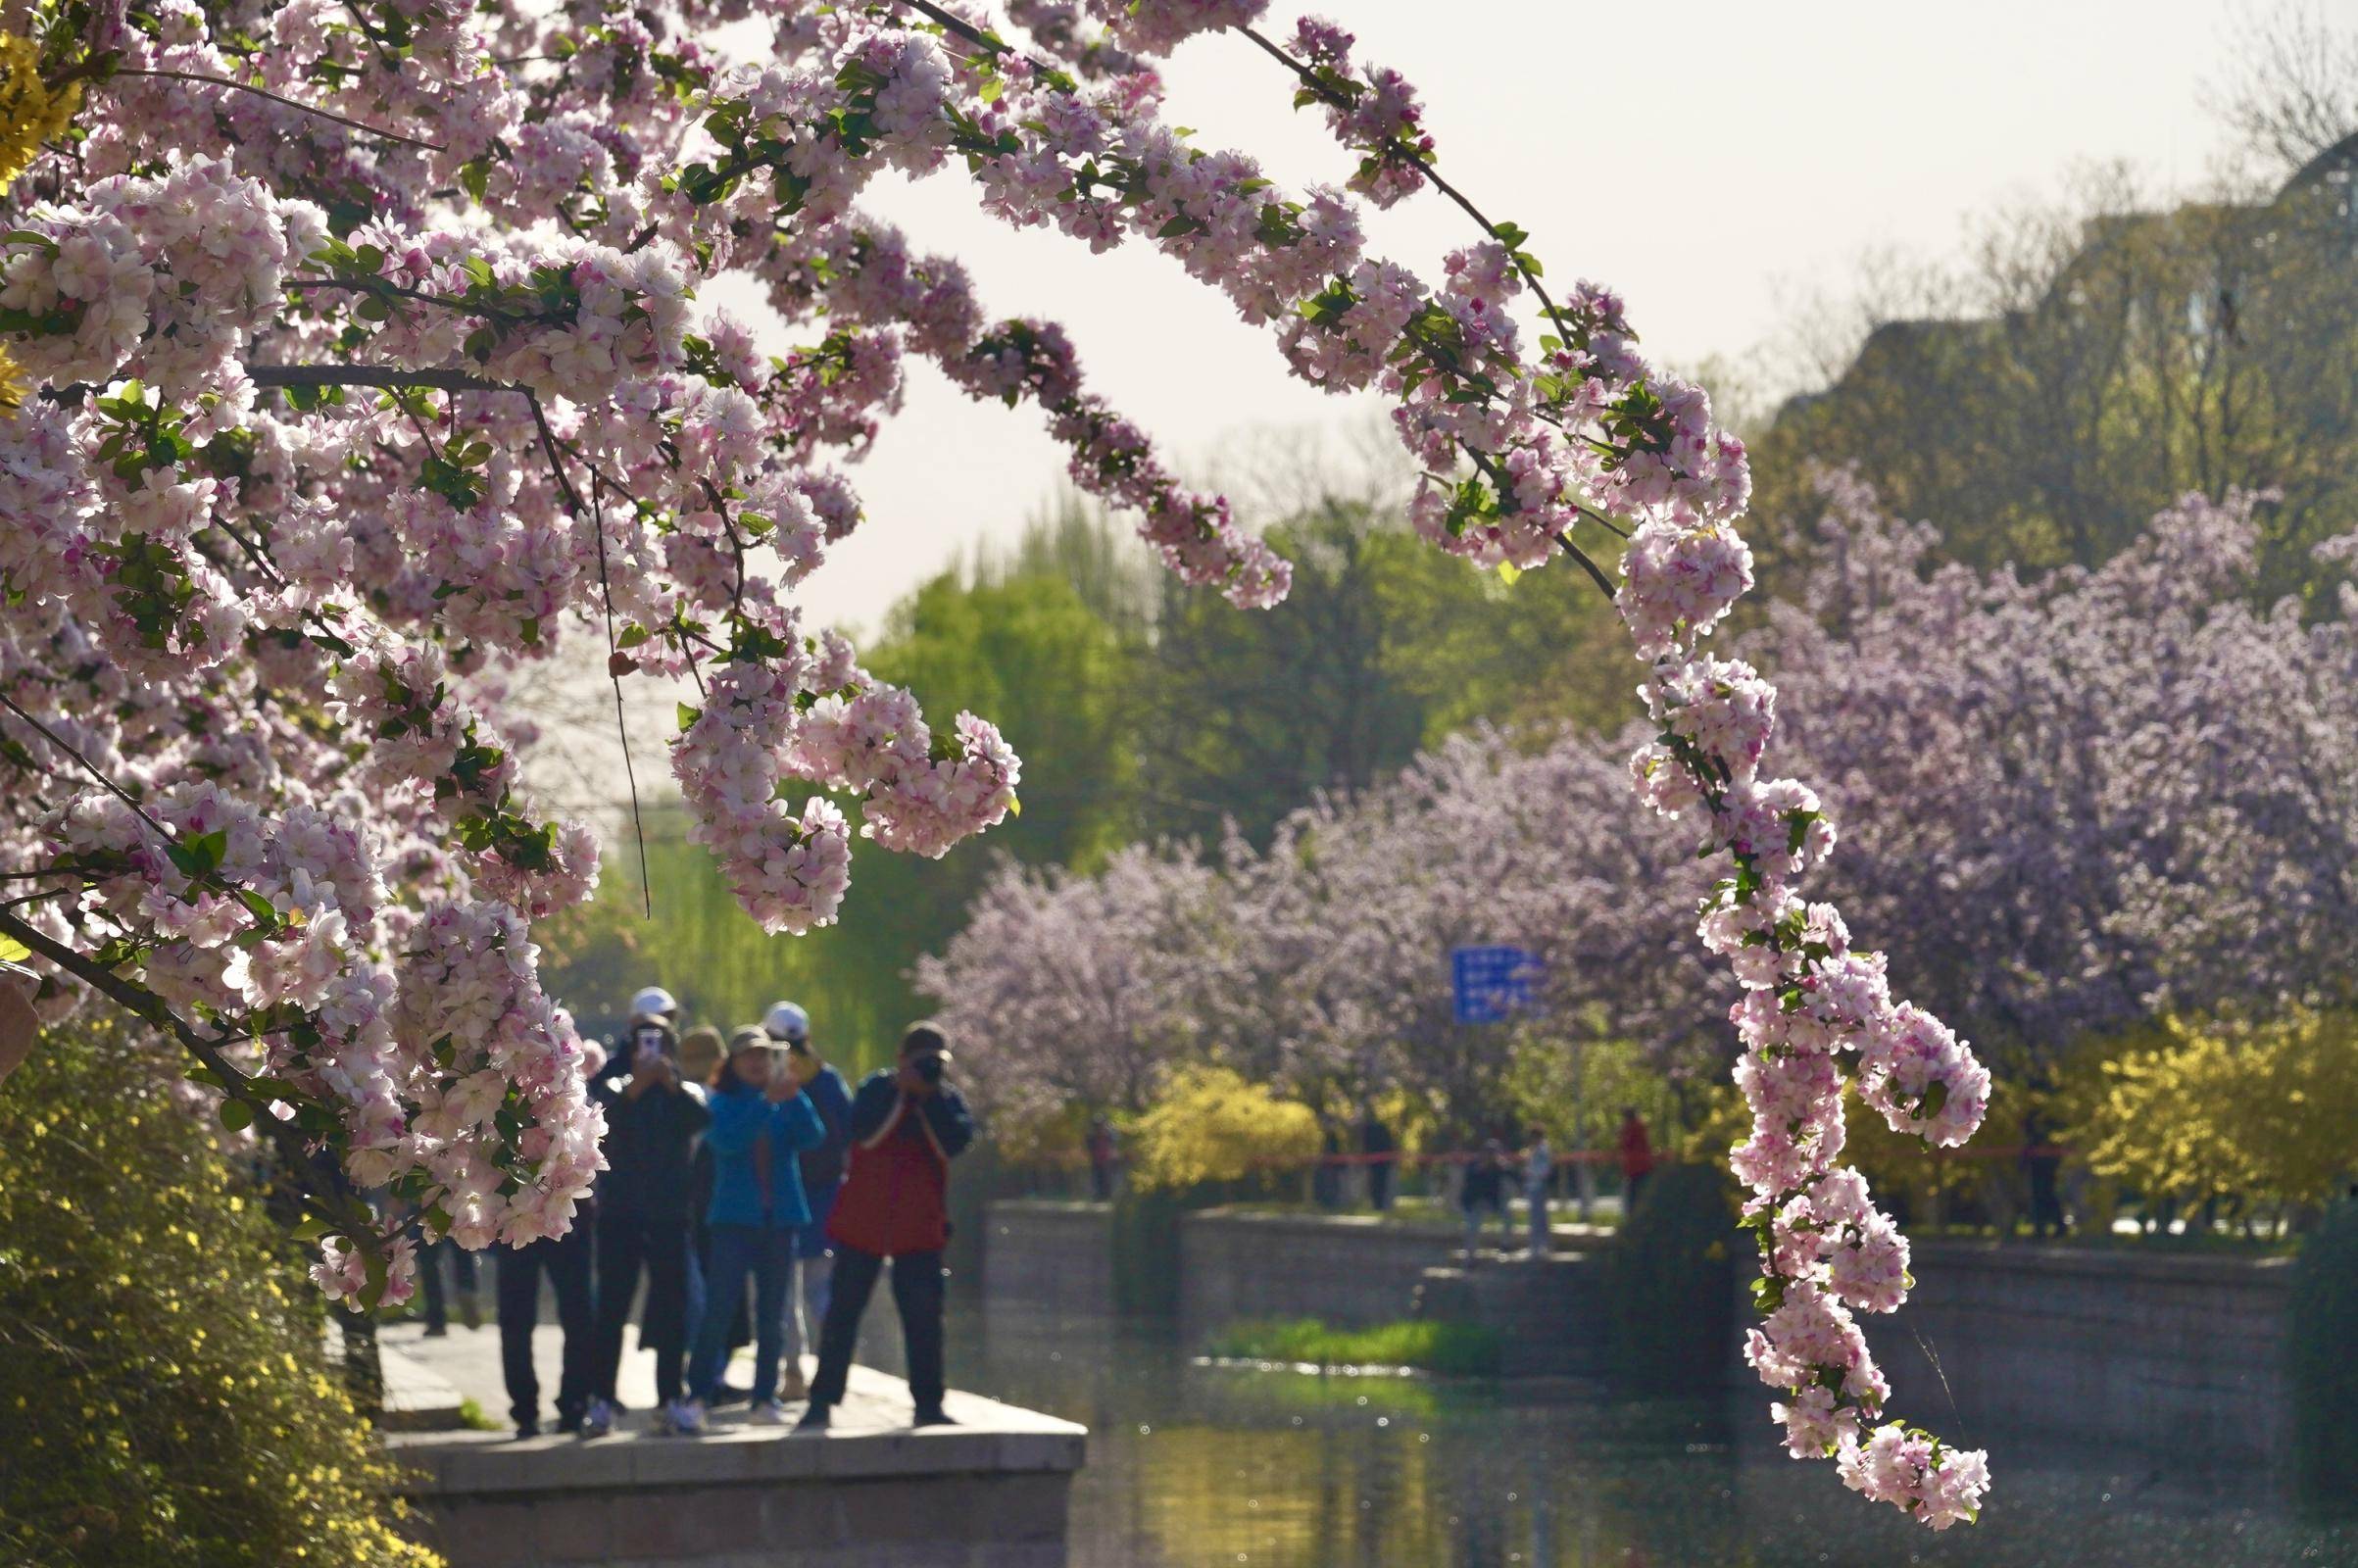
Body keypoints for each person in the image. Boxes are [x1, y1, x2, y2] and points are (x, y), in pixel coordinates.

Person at [799, 1021, 976, 1432]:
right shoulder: (876, 1090)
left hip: (919, 1227)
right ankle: (821, 1402)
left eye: (937, 1064)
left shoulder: (946, 1102)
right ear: (902, 1060)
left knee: (923, 1319)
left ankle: (929, 1404)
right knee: (842, 1315)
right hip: (865, 1222)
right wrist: (902, 1095)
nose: (930, 1071)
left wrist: (927, 1099)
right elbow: (865, 1136)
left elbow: (951, 1145)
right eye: (922, 1063)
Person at [682, 1026, 825, 1430]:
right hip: (733, 1222)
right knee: (719, 1310)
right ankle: (698, 1395)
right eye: (748, 1056)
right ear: (732, 1063)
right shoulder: (722, 1102)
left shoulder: (787, 1099)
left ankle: (765, 1398)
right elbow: (728, 1141)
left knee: (773, 1315)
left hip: (780, 1221)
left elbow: (813, 1137)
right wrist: (766, 1102)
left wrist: (794, 1098)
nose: (757, 1062)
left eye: (763, 1055)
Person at [581, 1013, 712, 1438]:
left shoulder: (682, 1092)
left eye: (658, 1044)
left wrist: (668, 1084)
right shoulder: (615, 1085)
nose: (650, 1051)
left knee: (671, 1310)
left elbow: (700, 1120)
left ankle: (669, 1398)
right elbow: (601, 1120)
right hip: (621, 1214)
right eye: (643, 1043)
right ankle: (601, 1399)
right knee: (612, 1309)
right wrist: (636, 1085)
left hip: (669, 1215)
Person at [764, 1000, 852, 1400]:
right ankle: (832, 1372)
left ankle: (794, 1373)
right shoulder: (829, 1080)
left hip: (784, 1195)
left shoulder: (770, 1082)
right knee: (822, 1291)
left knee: (785, 1294)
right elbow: (850, 1134)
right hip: (827, 1199)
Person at [1458, 1139, 1509, 1263]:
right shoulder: (1474, 1163)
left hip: (1488, 1202)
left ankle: (1505, 1244)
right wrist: (1483, 1166)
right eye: (1489, 1153)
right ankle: (1470, 1258)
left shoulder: (1498, 1166)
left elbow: (1513, 1175)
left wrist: (1506, 1166)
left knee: (1507, 1216)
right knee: (1472, 1229)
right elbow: (1470, 1179)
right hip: (1473, 1202)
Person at [1522, 1126, 1554, 1258]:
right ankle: (1539, 1245)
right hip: (1534, 1185)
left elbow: (1544, 1169)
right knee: (1537, 1217)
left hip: (1538, 1185)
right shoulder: (1535, 1150)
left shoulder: (1542, 1150)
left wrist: (1530, 1173)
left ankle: (1539, 1246)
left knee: (1538, 1217)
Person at [1357, 1103, 1397, 1211]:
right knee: (1380, 1184)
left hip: (1376, 1161)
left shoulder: (1368, 1129)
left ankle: (1378, 1204)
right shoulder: (1381, 1128)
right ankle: (1379, 1205)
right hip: (1381, 1161)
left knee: (1376, 1184)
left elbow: (1365, 1145)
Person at [1618, 1106, 1654, 1218]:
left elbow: (1625, 1144)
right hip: (1643, 1166)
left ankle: (1632, 1216)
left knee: (1632, 1194)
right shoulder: (1641, 1127)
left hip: (1634, 1167)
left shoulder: (1631, 1129)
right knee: (1640, 1192)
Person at [1085, 1113, 1119, 1202]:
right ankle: (1098, 1197)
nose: (1099, 1127)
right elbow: (1089, 1147)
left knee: (1108, 1179)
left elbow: (1114, 1145)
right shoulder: (1092, 1135)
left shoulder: (1110, 1134)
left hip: (1108, 1160)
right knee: (1097, 1179)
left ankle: (1108, 1197)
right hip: (1097, 1160)